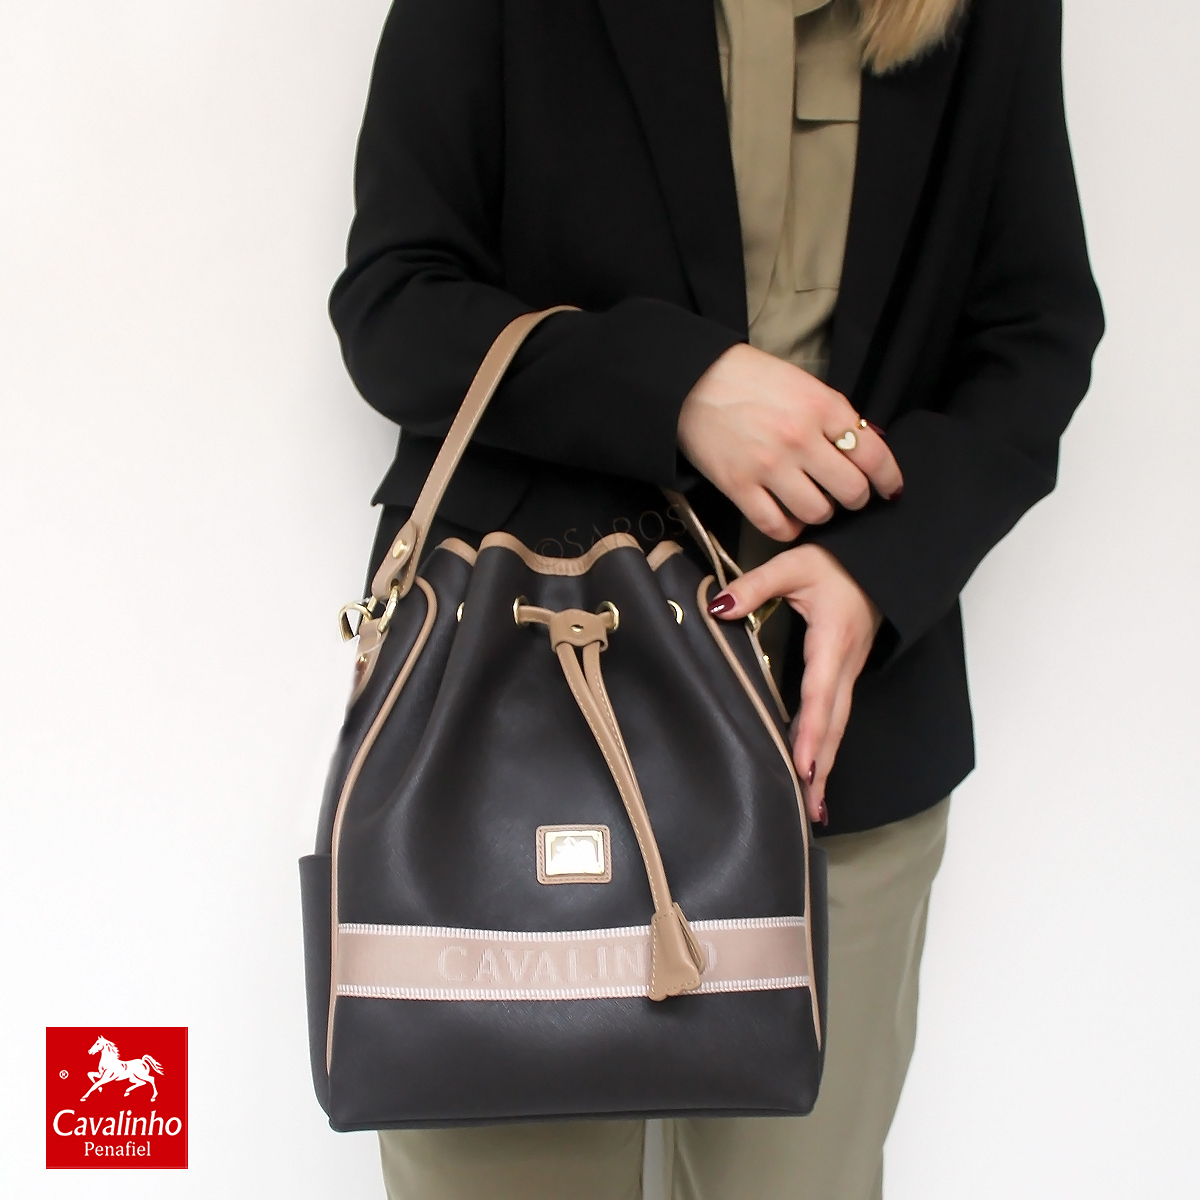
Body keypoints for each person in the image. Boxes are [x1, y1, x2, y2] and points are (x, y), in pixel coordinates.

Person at [329, 0, 1103, 1195]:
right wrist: (679, 388)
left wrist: (878, 568)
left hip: (833, 733)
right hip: (511, 719)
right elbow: (396, 303)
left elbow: (1032, 331)